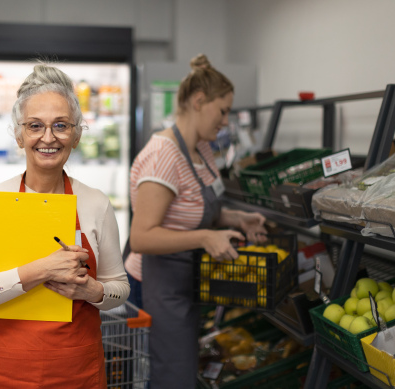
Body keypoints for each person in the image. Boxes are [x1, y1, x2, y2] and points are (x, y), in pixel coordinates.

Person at [0, 62, 130, 389]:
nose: (48, 137)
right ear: (19, 135)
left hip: (77, 372)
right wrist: (41, 270)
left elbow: (119, 287)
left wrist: (92, 291)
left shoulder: (95, 203)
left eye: (61, 125)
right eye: (35, 126)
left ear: (75, 135)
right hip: (4, 372)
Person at [124, 54, 268, 388]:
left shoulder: (202, 148)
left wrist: (237, 218)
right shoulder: (163, 156)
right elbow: (142, 237)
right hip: (152, 287)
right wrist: (205, 237)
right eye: (223, 110)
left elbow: (197, 209)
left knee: (183, 374)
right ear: (199, 101)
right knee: (168, 377)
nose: (225, 121)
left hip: (183, 281)